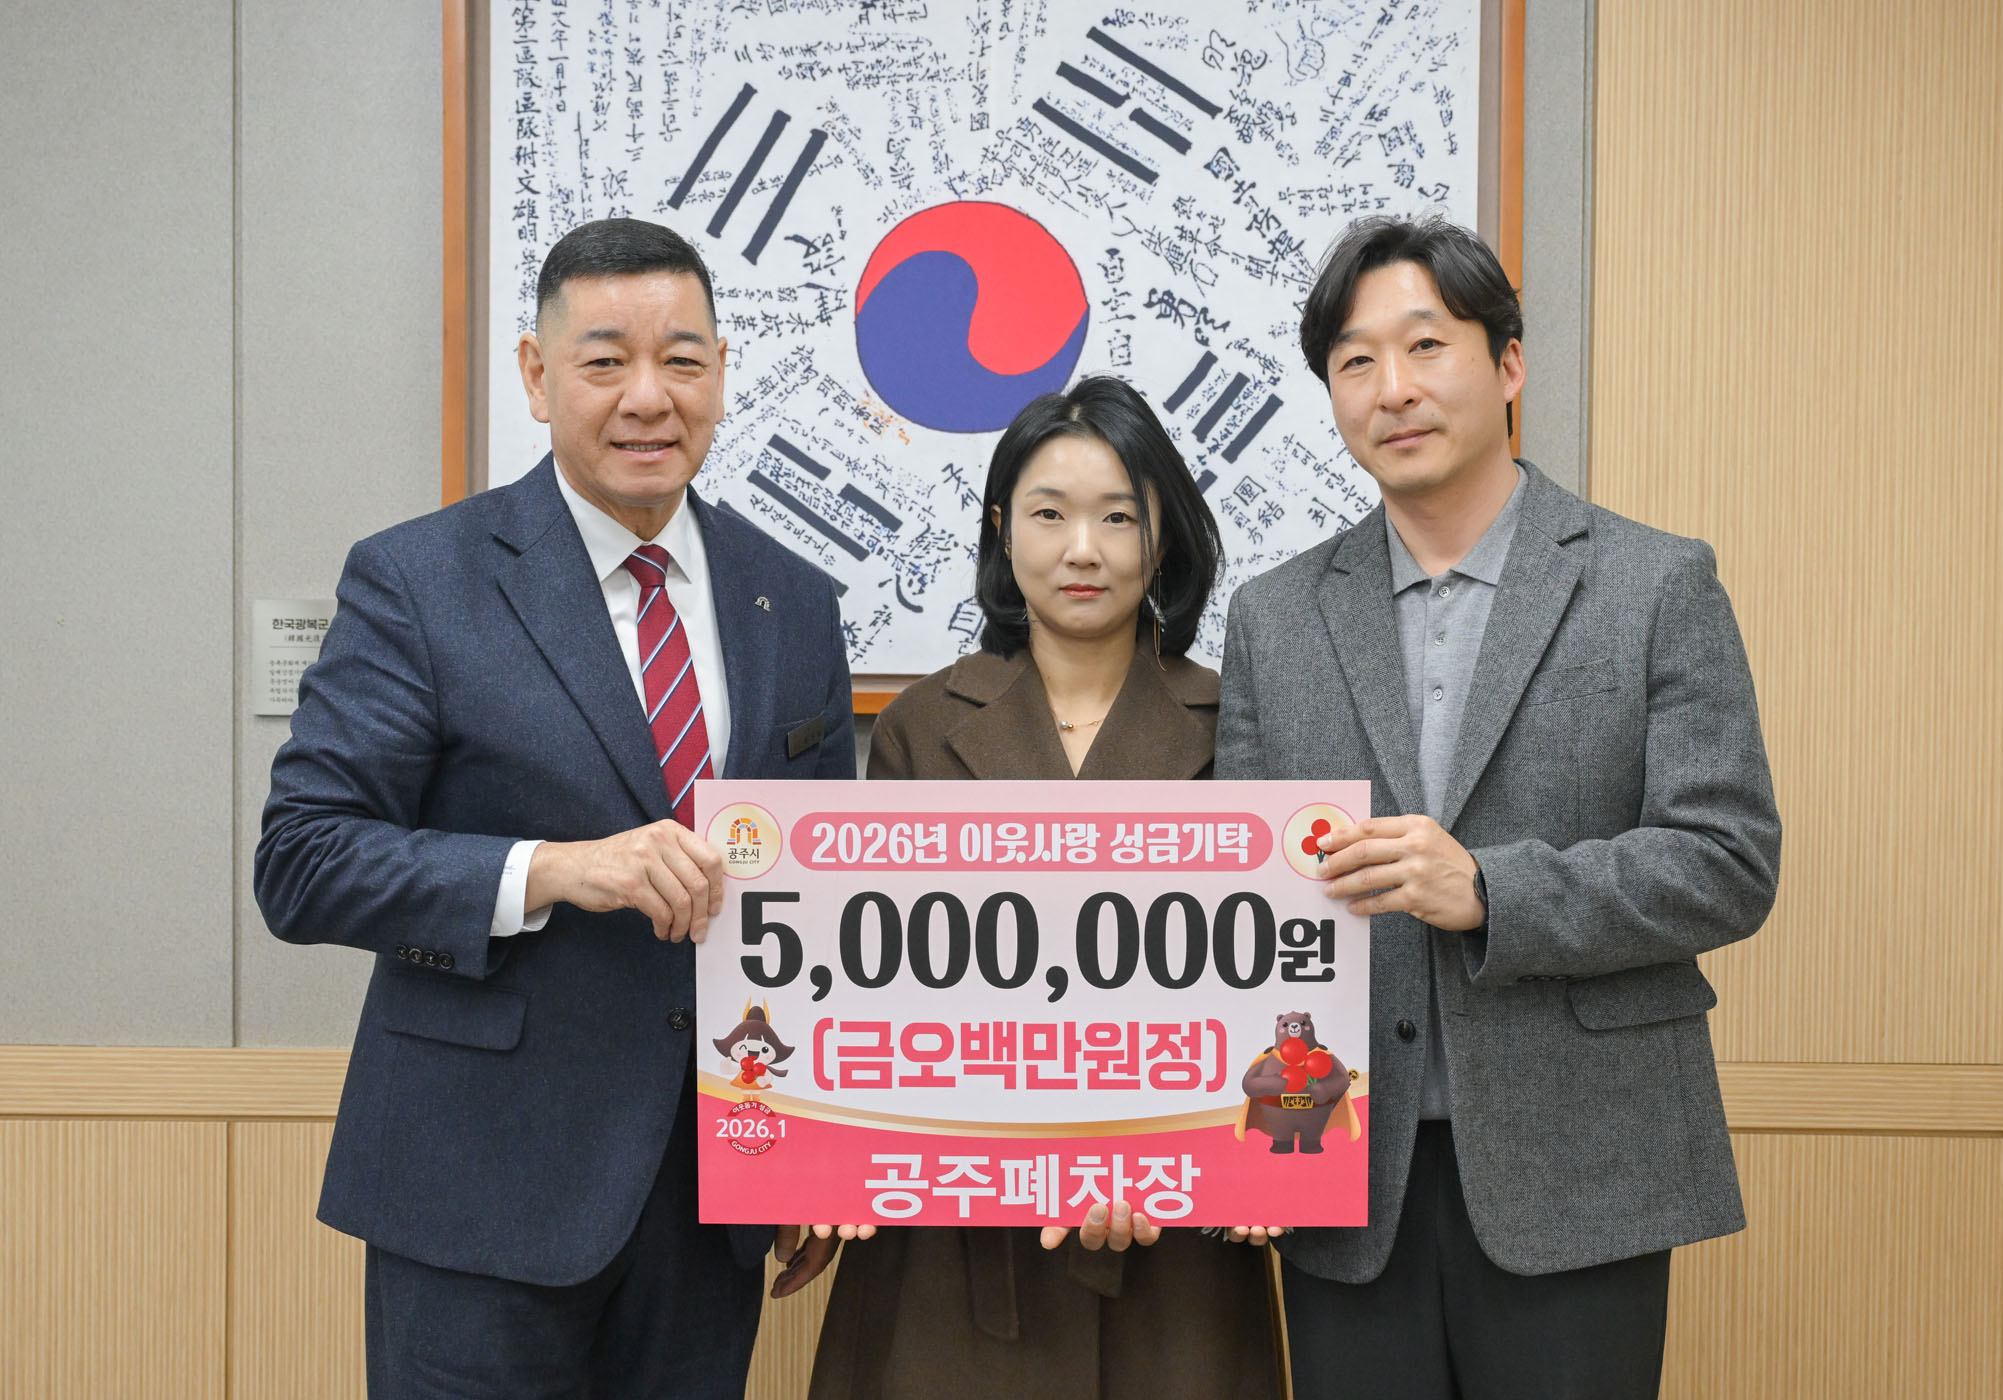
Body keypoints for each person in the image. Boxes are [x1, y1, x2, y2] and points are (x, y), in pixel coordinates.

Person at [254, 217, 855, 1399]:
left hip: (712, 1197)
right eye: (605, 361)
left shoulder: (792, 598)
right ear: (537, 376)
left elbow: (819, 903)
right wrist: (554, 867)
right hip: (479, 1189)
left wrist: (813, 1150)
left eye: (682, 359)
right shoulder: (421, 579)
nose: (648, 397)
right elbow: (305, 859)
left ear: (722, 372)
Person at [1216, 215, 1782, 1397]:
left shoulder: (1653, 582)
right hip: (1334, 1169)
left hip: (1582, 1161)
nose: (1393, 387)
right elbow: (1247, 908)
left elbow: (1726, 861)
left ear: (1509, 363)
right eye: (1355, 361)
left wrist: (1490, 888)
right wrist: (1245, 1152)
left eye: (1426, 345)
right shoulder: (1275, 615)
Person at [805, 376, 1282, 1400]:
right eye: (1051, 514)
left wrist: (1272, 1170)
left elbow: (1283, 983)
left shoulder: (1241, 720)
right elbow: (865, 989)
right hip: (957, 1246)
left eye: (1119, 516)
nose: (1083, 549)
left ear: (1163, 534)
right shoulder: (921, 725)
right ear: (1001, 528)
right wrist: (829, 1157)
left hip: (1180, 1243)